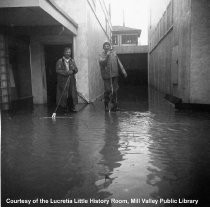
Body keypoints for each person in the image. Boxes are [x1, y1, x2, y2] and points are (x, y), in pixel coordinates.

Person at [99, 41, 127, 112]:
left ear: (110, 47)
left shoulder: (114, 53)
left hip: (115, 74)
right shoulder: (101, 55)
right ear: (103, 48)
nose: (106, 47)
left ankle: (115, 106)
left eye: (108, 46)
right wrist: (107, 56)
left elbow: (119, 62)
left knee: (115, 90)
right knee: (108, 90)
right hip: (106, 75)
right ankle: (106, 105)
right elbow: (102, 63)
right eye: (105, 46)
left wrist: (123, 71)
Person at [56, 47, 78, 112]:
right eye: (67, 52)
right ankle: (63, 108)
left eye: (69, 52)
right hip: (63, 81)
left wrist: (73, 71)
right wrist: (67, 73)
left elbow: (76, 69)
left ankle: (71, 108)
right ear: (64, 53)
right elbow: (58, 70)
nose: (68, 53)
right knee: (63, 94)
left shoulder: (72, 60)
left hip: (71, 80)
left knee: (71, 94)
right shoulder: (60, 61)